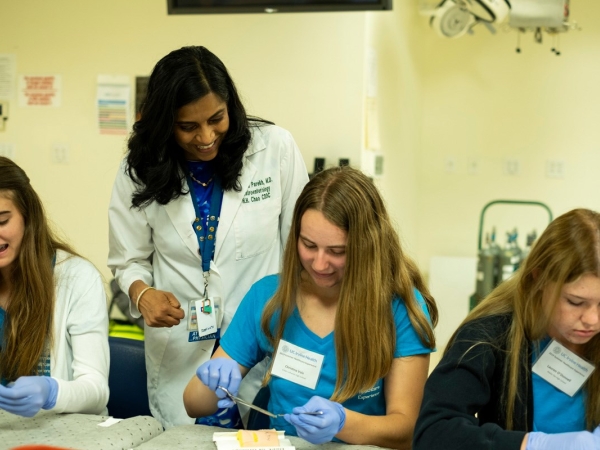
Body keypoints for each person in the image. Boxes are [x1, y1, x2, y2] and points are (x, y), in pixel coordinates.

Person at [108, 46, 308, 428]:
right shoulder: (140, 170)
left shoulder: (274, 149)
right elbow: (127, 259)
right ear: (165, 123)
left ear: (230, 104)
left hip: (261, 343)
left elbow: (299, 250)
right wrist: (142, 293)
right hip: (181, 349)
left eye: (217, 119)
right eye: (187, 127)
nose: (205, 137)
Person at [183, 166, 438, 449]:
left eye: (337, 251)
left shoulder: (401, 308)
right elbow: (194, 406)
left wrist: (343, 422)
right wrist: (212, 380)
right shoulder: (269, 298)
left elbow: (405, 429)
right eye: (308, 245)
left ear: (368, 246)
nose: (319, 264)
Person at [414, 208, 600, 450]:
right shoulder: (489, 336)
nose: (593, 320)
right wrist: (531, 445)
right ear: (539, 279)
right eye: (575, 302)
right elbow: (433, 433)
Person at [0, 157, 109, 417]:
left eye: (2, 221)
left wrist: (51, 392)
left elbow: (96, 391)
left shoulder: (77, 278)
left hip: (64, 433)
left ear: (28, 215)